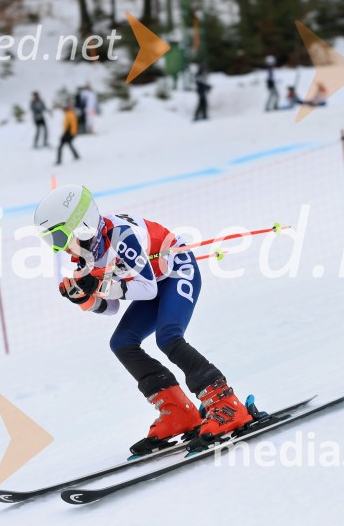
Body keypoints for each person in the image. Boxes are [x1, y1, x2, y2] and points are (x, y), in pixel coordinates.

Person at [33, 185, 253, 454]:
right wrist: (85, 299)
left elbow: (147, 288)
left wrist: (99, 285)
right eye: (51, 240)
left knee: (169, 336)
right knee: (122, 342)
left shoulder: (121, 236)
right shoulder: (86, 254)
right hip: (155, 282)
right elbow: (111, 307)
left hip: (176, 272)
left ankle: (227, 405)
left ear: (81, 225)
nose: (59, 247)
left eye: (58, 237)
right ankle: (179, 413)